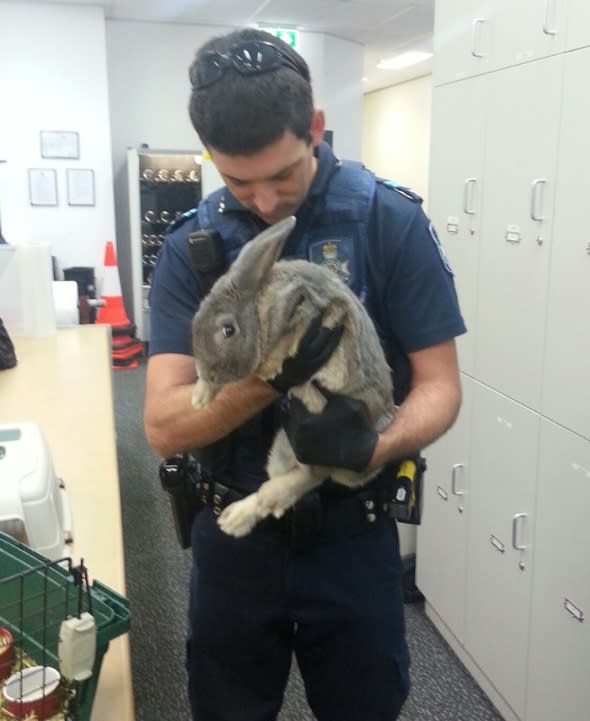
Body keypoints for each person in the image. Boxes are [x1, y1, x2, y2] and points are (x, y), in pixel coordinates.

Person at [144, 27, 466, 721]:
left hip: (353, 532)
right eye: (237, 179)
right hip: (234, 539)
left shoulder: (389, 222)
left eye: (282, 175)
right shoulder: (190, 247)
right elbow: (164, 425)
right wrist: (273, 374)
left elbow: (441, 386)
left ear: (315, 128)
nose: (261, 201)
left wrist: (370, 446)